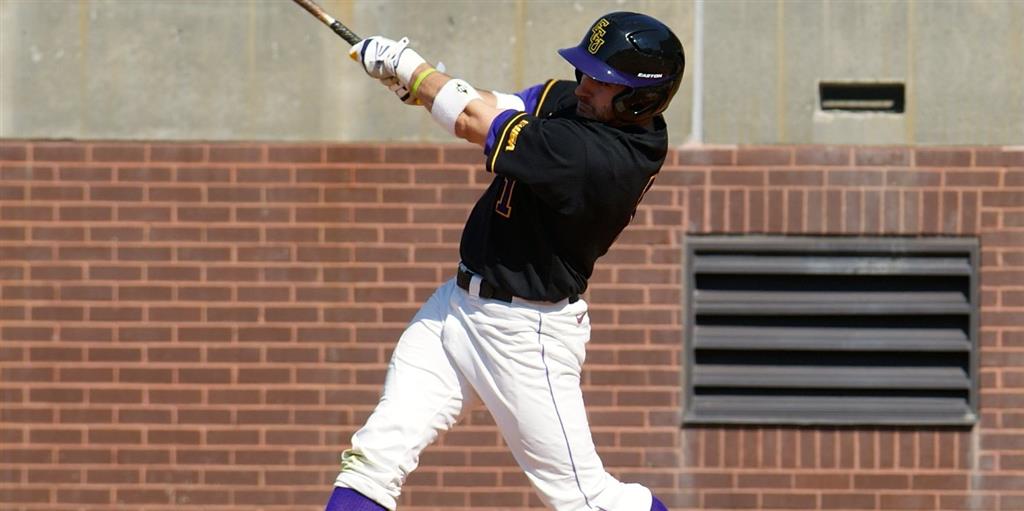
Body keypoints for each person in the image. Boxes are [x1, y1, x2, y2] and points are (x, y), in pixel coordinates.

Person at [325, 11, 685, 511]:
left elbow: (476, 121)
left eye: (601, 82)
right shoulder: (589, 110)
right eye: (585, 73)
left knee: (587, 499)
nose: (583, 86)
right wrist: (423, 91)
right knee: (374, 458)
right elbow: (505, 105)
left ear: (639, 98)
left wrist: (413, 69)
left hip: (525, 333)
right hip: (455, 308)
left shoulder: (595, 156)